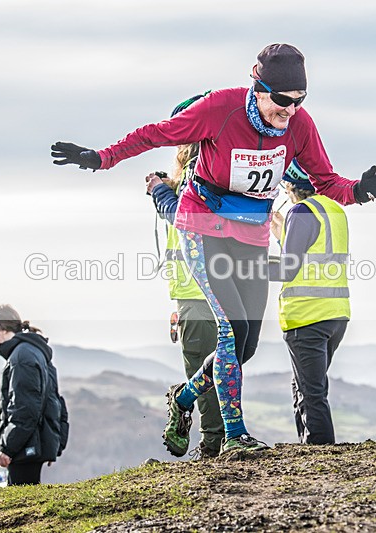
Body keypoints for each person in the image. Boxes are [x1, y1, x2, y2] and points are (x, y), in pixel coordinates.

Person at [52, 43, 376, 455]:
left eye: (299, 101)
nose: (289, 110)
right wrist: (102, 158)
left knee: (244, 345)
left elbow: (326, 181)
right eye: (282, 100)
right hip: (203, 227)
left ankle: (184, 398)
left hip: (250, 236)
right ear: (258, 85)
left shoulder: (299, 126)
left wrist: (362, 191)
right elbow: (156, 134)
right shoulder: (221, 109)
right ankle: (236, 437)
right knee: (231, 330)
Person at [145, 94, 224, 459]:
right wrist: (169, 189)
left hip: (197, 293)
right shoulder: (220, 166)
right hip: (211, 292)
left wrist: (162, 191)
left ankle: (207, 431)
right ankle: (218, 442)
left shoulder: (201, 169)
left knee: (211, 370)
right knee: (220, 367)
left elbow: (183, 216)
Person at [269, 159, 350, 445]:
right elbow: (313, 255)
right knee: (304, 386)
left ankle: (320, 453)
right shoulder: (334, 211)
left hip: (307, 317)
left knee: (312, 394)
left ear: (289, 186)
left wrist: (245, 264)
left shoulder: (300, 211)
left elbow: (288, 268)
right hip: (336, 314)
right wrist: (283, 237)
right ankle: (308, 448)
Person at [0, 304, 67, 485]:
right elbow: (54, 400)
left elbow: (24, 408)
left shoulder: (21, 358)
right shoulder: (34, 351)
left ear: (3, 328)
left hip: (25, 446)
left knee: (21, 506)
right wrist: (54, 443)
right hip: (33, 443)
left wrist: (8, 449)